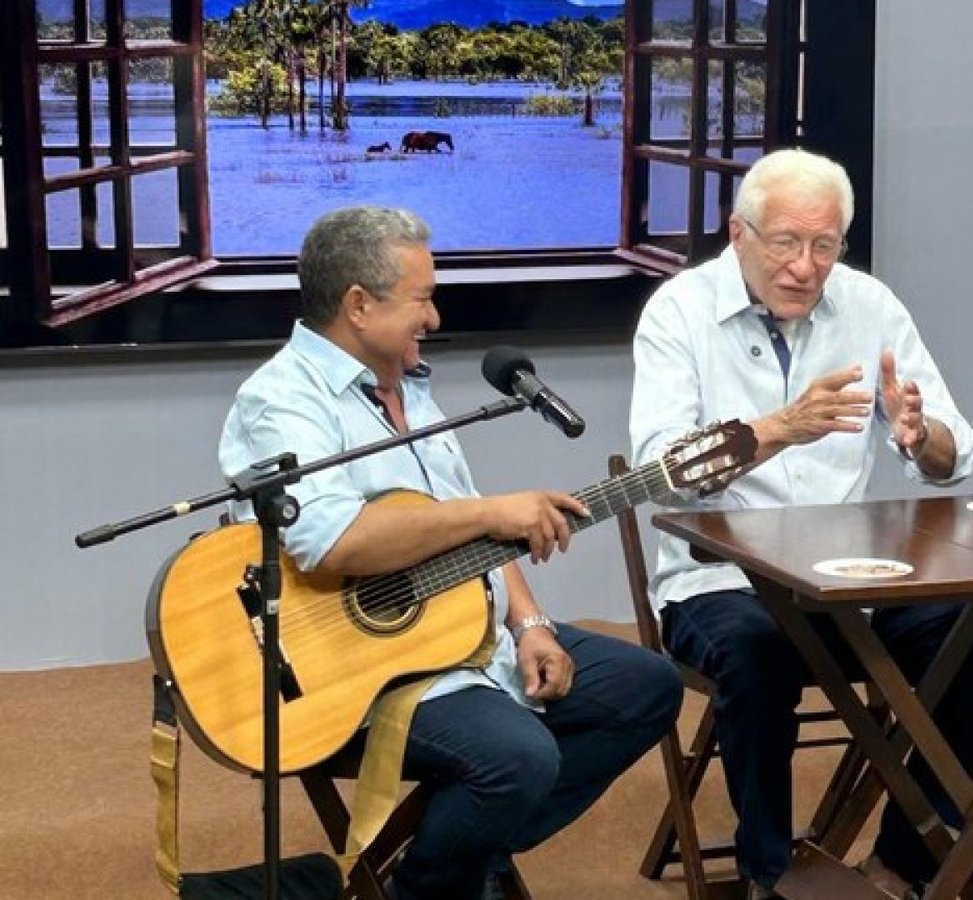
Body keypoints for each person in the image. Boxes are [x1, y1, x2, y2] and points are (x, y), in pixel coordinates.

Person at [219, 205, 682, 900]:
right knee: (515, 760)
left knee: (647, 687)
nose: (434, 318)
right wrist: (494, 510)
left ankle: (459, 858)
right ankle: (438, 881)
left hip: (467, 637)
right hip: (350, 669)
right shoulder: (279, 400)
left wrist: (529, 624)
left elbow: (470, 529)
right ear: (357, 305)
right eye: (422, 299)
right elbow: (328, 540)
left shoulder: (408, 387)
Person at [629, 148, 973, 900]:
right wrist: (778, 429)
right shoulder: (679, 311)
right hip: (720, 581)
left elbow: (955, 453)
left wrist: (919, 434)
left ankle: (905, 861)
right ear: (737, 233)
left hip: (852, 583)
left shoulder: (870, 305)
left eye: (825, 245)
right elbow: (660, 470)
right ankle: (772, 877)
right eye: (785, 242)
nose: (805, 267)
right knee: (755, 653)